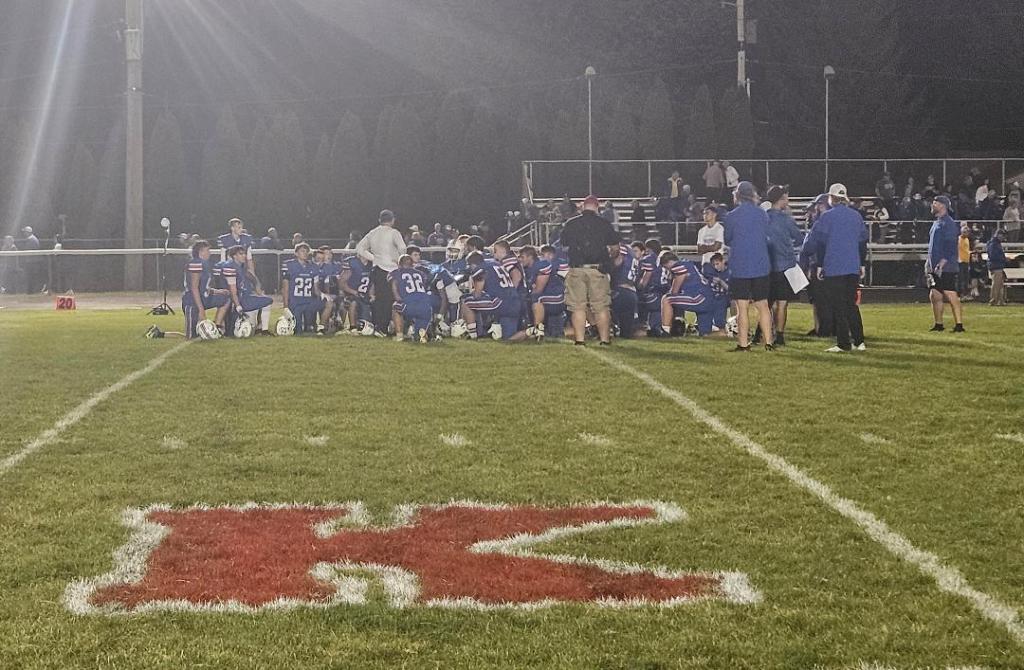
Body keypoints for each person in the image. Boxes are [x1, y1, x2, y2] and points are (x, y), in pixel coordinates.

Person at [803, 184, 868, 353]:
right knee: (851, 305)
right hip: (852, 265)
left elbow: (820, 243)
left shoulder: (827, 217)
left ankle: (843, 343)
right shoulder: (856, 216)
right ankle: (860, 341)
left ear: (831, 198)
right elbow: (862, 242)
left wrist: (819, 265)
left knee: (839, 306)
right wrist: (862, 264)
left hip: (834, 266)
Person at [559, 195, 620, 346]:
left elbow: (564, 245)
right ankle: (605, 340)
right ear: (597, 206)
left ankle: (580, 340)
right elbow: (615, 248)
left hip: (577, 269)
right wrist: (608, 258)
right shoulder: (604, 223)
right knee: (601, 307)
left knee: (577, 306)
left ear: (582, 206)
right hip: (597, 269)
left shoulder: (571, 223)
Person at [723, 181, 774, 351]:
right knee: (763, 305)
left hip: (740, 265)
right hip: (760, 264)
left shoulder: (731, 216)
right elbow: (768, 235)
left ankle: (743, 344)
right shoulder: (762, 214)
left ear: (737, 195)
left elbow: (727, 239)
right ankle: (768, 342)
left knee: (742, 307)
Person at [765, 186, 805, 346]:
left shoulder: (763, 218)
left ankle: (763, 333)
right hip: (785, 265)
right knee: (782, 303)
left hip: (767, 266)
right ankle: (780, 336)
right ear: (781, 198)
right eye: (786, 197)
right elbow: (800, 238)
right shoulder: (786, 219)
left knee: (766, 304)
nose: (788, 200)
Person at [355, 210, 407, 335]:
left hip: (378, 269)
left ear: (380, 220)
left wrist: (374, 258)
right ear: (392, 220)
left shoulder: (372, 233)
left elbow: (359, 248)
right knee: (394, 299)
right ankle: (393, 326)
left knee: (380, 300)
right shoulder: (394, 232)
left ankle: (380, 327)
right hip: (393, 269)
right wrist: (399, 261)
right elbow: (403, 248)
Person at [459, 251, 525, 341]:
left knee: (466, 301)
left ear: (473, 264)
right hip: (515, 302)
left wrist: (471, 293)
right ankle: (532, 331)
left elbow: (477, 294)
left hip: (499, 302)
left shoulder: (480, 268)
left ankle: (473, 335)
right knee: (508, 338)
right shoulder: (496, 263)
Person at [658, 252, 727, 338]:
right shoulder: (688, 263)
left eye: (665, 267)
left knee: (667, 299)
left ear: (668, 262)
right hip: (709, 299)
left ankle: (665, 331)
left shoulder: (678, 266)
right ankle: (725, 333)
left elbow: (674, 291)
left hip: (698, 297)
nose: (667, 269)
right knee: (705, 334)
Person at [927, 195, 965, 333]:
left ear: (942, 205)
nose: (932, 205)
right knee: (935, 295)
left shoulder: (948, 223)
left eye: (934, 202)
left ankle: (959, 325)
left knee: (950, 294)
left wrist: (942, 262)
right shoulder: (937, 222)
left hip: (946, 266)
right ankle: (938, 324)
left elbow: (950, 245)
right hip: (935, 266)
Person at [390, 254, 434, 343]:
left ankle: (399, 336)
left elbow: (394, 284)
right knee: (418, 336)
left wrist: (398, 298)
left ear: (400, 264)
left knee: (396, 307)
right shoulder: (421, 273)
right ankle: (421, 334)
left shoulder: (397, 272)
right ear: (412, 264)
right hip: (426, 306)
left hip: (410, 304)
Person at [281, 242, 322, 334]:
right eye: (302, 251)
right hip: (295, 302)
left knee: (309, 329)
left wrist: (325, 297)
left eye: (306, 251)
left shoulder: (313, 267)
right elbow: (285, 287)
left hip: (308, 301)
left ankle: (323, 327)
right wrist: (286, 306)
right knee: (297, 330)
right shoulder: (289, 265)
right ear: (296, 253)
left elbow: (316, 289)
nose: (305, 253)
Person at [317, 246, 343, 334]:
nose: (329, 255)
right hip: (321, 294)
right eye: (326, 253)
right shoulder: (318, 267)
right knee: (329, 303)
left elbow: (341, 280)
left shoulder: (338, 265)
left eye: (330, 253)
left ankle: (339, 325)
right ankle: (323, 326)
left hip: (336, 292)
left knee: (344, 304)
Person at [987, 229, 1007, 306]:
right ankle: (994, 300)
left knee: (1000, 284)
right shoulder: (994, 244)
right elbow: (993, 256)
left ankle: (1000, 300)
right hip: (996, 266)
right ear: (998, 235)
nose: (1003, 237)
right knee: (996, 285)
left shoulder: (995, 243)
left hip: (997, 266)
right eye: (1002, 235)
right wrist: (1003, 258)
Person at [957, 224, 973, 299]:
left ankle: (965, 294)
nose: (966, 233)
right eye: (964, 232)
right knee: (960, 279)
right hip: (960, 261)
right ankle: (960, 295)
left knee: (966, 279)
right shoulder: (958, 240)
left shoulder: (967, 239)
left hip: (966, 261)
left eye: (967, 232)